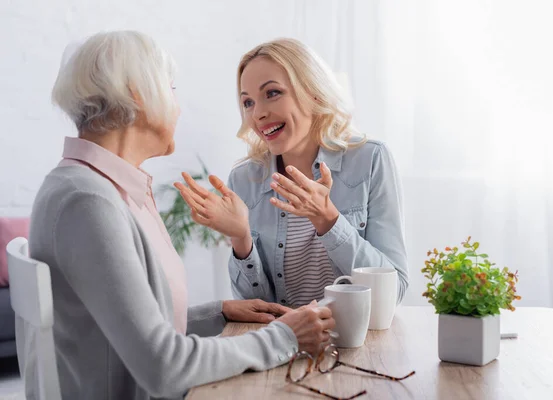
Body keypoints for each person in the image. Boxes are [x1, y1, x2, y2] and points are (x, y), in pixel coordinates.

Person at [24, 31, 334, 400]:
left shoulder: (95, 187)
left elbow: (129, 327)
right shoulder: (87, 201)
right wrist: (286, 336)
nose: (178, 107)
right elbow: (164, 368)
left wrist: (218, 312)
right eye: (170, 88)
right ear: (138, 94)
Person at [175, 38, 408, 308]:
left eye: (272, 93)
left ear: (313, 92)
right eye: (248, 102)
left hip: (355, 344)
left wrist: (328, 220)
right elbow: (257, 309)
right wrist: (241, 238)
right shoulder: (244, 180)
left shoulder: (370, 160)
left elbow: (395, 291)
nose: (258, 114)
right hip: (284, 343)